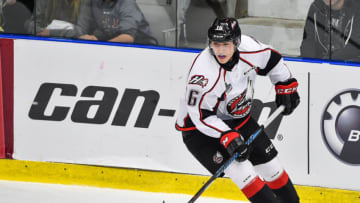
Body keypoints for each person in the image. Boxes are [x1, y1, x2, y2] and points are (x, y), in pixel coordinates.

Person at [175, 17, 300, 203]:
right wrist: (227, 135)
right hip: (200, 131)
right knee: (246, 174)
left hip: (238, 118)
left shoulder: (250, 48)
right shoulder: (203, 74)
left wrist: (285, 85)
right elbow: (200, 116)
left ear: (237, 42)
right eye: (216, 44)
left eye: (225, 44)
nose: (220, 50)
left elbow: (273, 60)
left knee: (274, 171)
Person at [78, 0, 157, 45]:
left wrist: (102, 47)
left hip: (143, 48)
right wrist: (85, 37)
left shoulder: (127, 3)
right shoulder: (92, 2)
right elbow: (81, 29)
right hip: (112, 46)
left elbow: (128, 37)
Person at [24, 0, 91, 38]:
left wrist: (50, 33)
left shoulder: (84, 2)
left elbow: (81, 31)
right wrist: (39, 30)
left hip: (73, 44)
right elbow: (31, 24)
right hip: (46, 42)